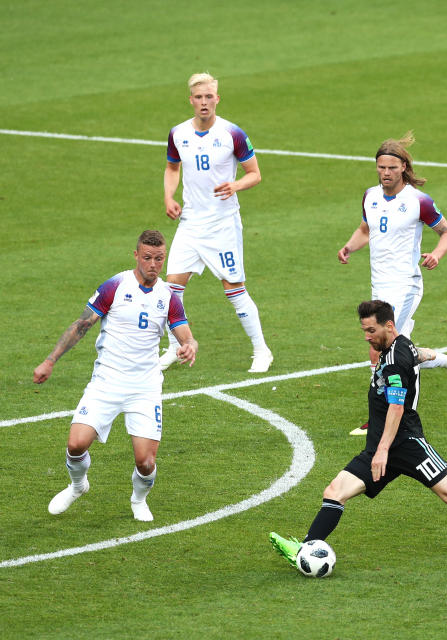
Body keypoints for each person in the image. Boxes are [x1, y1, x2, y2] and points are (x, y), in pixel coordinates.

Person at [268, 300, 447, 568]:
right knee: (335, 491)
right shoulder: (402, 345)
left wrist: (384, 450)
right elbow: (422, 354)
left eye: (371, 331)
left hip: (405, 443)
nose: (366, 337)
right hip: (380, 445)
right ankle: (305, 547)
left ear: (388, 326)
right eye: (363, 331)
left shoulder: (396, 362)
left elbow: (397, 407)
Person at [33, 230, 198, 522]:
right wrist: (50, 360)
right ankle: (78, 485)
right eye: (147, 257)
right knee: (75, 445)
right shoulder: (115, 286)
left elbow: (185, 334)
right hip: (107, 382)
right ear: (136, 255)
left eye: (159, 259)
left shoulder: (168, 297)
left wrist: (190, 346)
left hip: (144, 387)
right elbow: (82, 325)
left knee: (145, 462)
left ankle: (138, 500)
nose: (153, 264)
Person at [337, 132, 447, 435]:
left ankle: (395, 418)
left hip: (406, 284)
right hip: (379, 284)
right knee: (398, 351)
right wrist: (349, 247)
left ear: (404, 168)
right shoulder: (370, 196)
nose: (385, 174)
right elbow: (365, 229)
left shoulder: (417, 201)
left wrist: (437, 254)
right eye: (381, 168)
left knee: (385, 347)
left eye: (392, 168)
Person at [161, 72, 271, 373]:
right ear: (191, 101)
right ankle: (173, 347)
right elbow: (172, 168)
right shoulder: (178, 133)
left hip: (222, 224)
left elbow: (255, 174)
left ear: (217, 99)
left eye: (209, 97)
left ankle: (262, 350)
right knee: (171, 290)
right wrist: (169, 197)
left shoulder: (232, 134)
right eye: (199, 97)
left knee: (233, 288)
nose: (204, 102)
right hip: (190, 223)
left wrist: (235, 186)